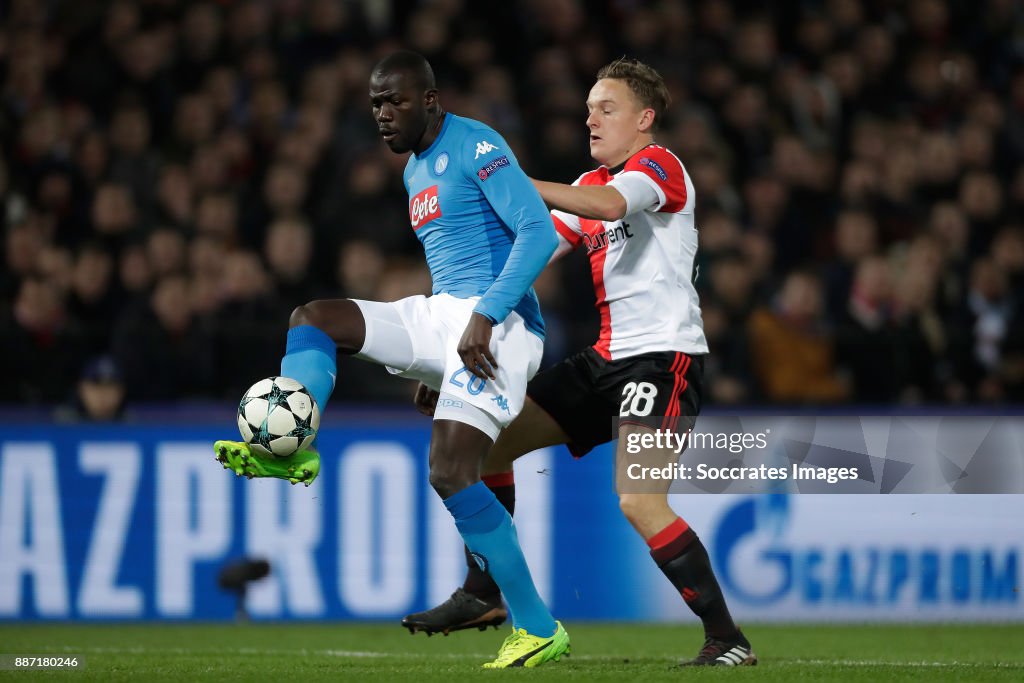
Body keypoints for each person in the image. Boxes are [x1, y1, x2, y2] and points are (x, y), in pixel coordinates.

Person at [211, 51, 570, 669]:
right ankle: (295, 438)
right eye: (375, 103)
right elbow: (449, 280)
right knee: (314, 318)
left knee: (451, 471)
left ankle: (539, 627)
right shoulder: (413, 171)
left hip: (503, 323)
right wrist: (435, 364)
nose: (382, 114)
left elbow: (537, 232)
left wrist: (484, 318)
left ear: (430, 101)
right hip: (445, 316)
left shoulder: (478, 144)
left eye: (394, 101)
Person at [402, 58, 757, 667]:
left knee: (639, 500)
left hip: (660, 360)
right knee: (486, 449)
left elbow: (614, 205)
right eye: (589, 107)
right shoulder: (588, 183)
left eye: (607, 108)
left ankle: (728, 640)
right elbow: (535, 250)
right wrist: (452, 346)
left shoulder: (658, 167)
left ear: (645, 119)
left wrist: (515, 178)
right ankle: (485, 594)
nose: (590, 117)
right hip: (602, 362)